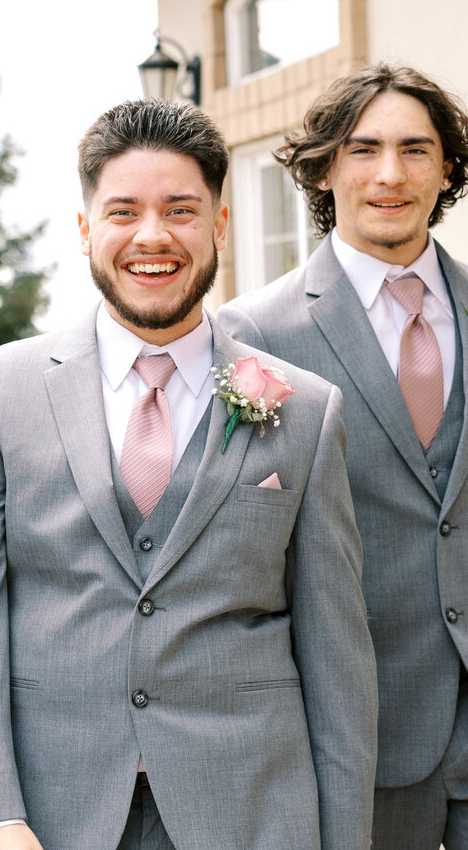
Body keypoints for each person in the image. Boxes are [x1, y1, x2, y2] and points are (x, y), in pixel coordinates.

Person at [0, 99, 376, 849]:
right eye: (124, 211)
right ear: (85, 231)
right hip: (52, 814)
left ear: (220, 225)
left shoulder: (307, 410)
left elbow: (338, 659)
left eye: (180, 210)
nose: (153, 237)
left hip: (255, 812)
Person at [218, 63, 468, 849]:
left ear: (448, 168)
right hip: (358, 736)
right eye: (363, 150)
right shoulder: (251, 339)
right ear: (326, 168)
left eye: (415, 149)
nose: (390, 174)